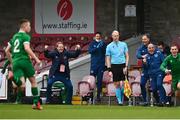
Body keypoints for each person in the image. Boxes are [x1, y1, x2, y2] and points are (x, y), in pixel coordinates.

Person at [5, 19, 42, 110]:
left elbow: (6, 51)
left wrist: (12, 61)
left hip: (16, 62)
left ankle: (13, 77)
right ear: (25, 26)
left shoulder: (14, 37)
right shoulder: (25, 36)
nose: (30, 28)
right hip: (25, 61)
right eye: (29, 26)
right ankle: (35, 103)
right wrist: (36, 59)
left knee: (21, 85)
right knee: (33, 81)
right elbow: (26, 48)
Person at [106, 30, 129, 105]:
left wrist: (126, 66)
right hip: (114, 66)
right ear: (112, 36)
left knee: (123, 84)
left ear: (119, 36)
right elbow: (108, 58)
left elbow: (127, 56)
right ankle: (119, 101)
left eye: (117, 35)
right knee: (117, 84)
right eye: (114, 36)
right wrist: (109, 69)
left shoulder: (124, 44)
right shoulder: (109, 46)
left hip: (123, 65)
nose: (115, 37)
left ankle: (123, 98)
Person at [88, 32, 106, 101]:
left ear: (100, 37)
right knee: (92, 81)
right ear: (95, 37)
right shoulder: (92, 43)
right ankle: (91, 96)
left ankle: (98, 96)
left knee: (99, 81)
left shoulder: (103, 43)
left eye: (99, 36)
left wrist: (102, 46)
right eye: (97, 36)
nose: (98, 37)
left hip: (101, 65)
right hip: (93, 65)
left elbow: (105, 52)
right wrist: (97, 47)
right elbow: (90, 51)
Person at [136, 33, 151, 105]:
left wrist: (147, 57)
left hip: (152, 69)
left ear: (148, 39)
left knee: (154, 86)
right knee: (142, 84)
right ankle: (145, 100)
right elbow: (137, 55)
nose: (143, 40)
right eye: (142, 39)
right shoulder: (141, 47)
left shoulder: (152, 46)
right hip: (145, 70)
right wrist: (143, 57)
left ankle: (157, 100)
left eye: (145, 39)